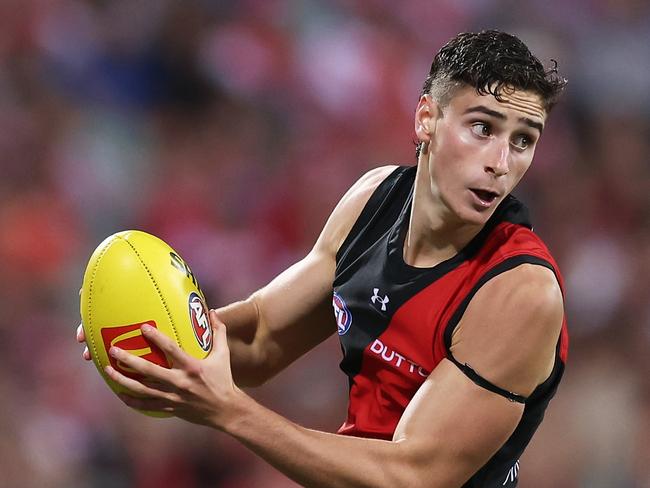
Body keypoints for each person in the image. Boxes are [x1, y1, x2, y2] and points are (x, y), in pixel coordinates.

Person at [77, 30, 569, 487]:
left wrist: (230, 411)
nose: (501, 163)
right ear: (427, 119)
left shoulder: (519, 291)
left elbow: (412, 476)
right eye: (482, 127)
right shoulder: (372, 203)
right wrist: (163, 339)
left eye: (522, 140)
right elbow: (265, 334)